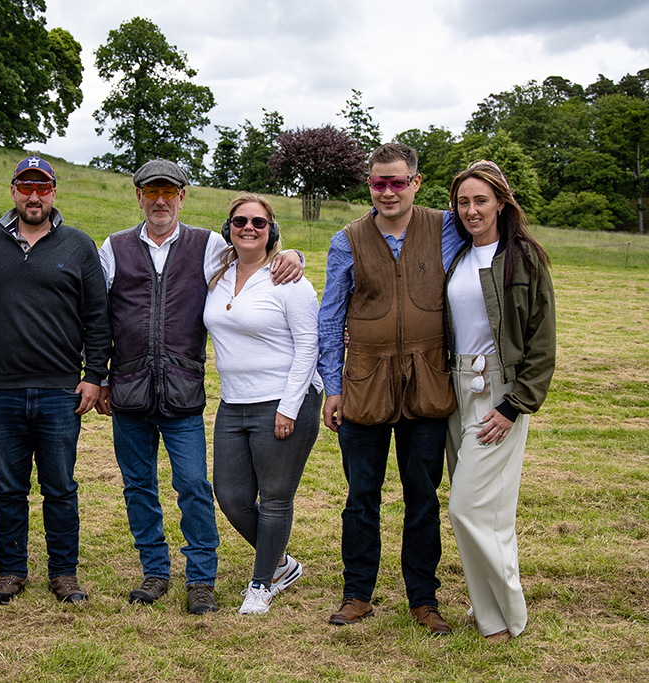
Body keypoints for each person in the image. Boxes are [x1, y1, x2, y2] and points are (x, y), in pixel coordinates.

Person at [96, 160, 304, 614]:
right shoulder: (112, 249)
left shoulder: (208, 245)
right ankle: (154, 570)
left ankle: (201, 578)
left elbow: (257, 257)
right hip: (129, 389)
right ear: (138, 196)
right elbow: (95, 315)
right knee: (138, 486)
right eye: (151, 192)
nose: (160, 201)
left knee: (192, 484)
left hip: (182, 392)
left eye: (169, 192)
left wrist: (294, 255)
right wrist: (99, 375)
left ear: (182, 197)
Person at [318, 142, 463, 635]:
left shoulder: (446, 227)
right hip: (364, 382)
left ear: (415, 183)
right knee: (362, 496)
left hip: (428, 382)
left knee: (422, 496)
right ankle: (357, 594)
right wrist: (332, 385)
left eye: (397, 182)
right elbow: (330, 315)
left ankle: (424, 599)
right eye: (379, 182)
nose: (387, 191)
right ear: (370, 185)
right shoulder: (348, 239)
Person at [0, 156, 111, 605]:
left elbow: (98, 317)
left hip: (59, 390)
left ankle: (63, 573)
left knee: (60, 487)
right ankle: (11, 571)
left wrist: (94, 376)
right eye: (25, 187)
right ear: (12, 189)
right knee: (8, 488)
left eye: (44, 187)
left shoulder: (78, 245)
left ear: (55, 191)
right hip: (1, 389)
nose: (34, 196)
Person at [445, 160, 555, 642]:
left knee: (467, 507)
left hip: (498, 393)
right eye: (463, 202)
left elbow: (542, 341)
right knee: (486, 511)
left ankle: (506, 617)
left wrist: (514, 405)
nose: (471, 210)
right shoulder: (457, 255)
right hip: (453, 390)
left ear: (501, 203)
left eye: (480, 200)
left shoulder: (524, 258)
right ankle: (487, 608)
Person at [203, 194, 323, 615]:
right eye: (240, 221)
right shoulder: (217, 269)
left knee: (274, 497)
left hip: (284, 400)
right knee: (232, 496)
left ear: (271, 229)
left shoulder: (290, 280)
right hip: (233, 402)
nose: (248, 228)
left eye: (258, 222)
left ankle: (261, 583)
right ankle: (282, 564)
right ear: (228, 227)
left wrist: (289, 406)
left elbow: (310, 345)